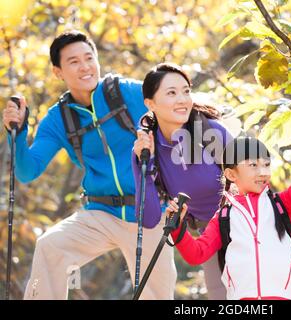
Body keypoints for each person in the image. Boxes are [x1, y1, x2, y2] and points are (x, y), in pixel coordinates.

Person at [2, 30, 174, 300]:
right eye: (73, 62)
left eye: (89, 58)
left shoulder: (127, 92)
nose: (85, 67)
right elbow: (27, 171)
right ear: (58, 71)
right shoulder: (58, 118)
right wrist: (19, 133)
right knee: (50, 247)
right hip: (100, 212)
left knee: (156, 295)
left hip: (148, 209)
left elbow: (176, 115)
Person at [165, 136, 291, 300]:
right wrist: (176, 225)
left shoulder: (281, 204)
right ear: (231, 174)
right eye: (253, 165)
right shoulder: (224, 216)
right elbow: (197, 254)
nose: (263, 172)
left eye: (266, 164)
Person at [132, 63, 233, 299]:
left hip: (244, 223)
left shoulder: (212, 133)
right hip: (208, 235)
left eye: (186, 91)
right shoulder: (147, 147)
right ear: (150, 103)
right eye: (171, 93)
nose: (182, 99)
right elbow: (148, 219)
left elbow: (255, 182)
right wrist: (144, 164)